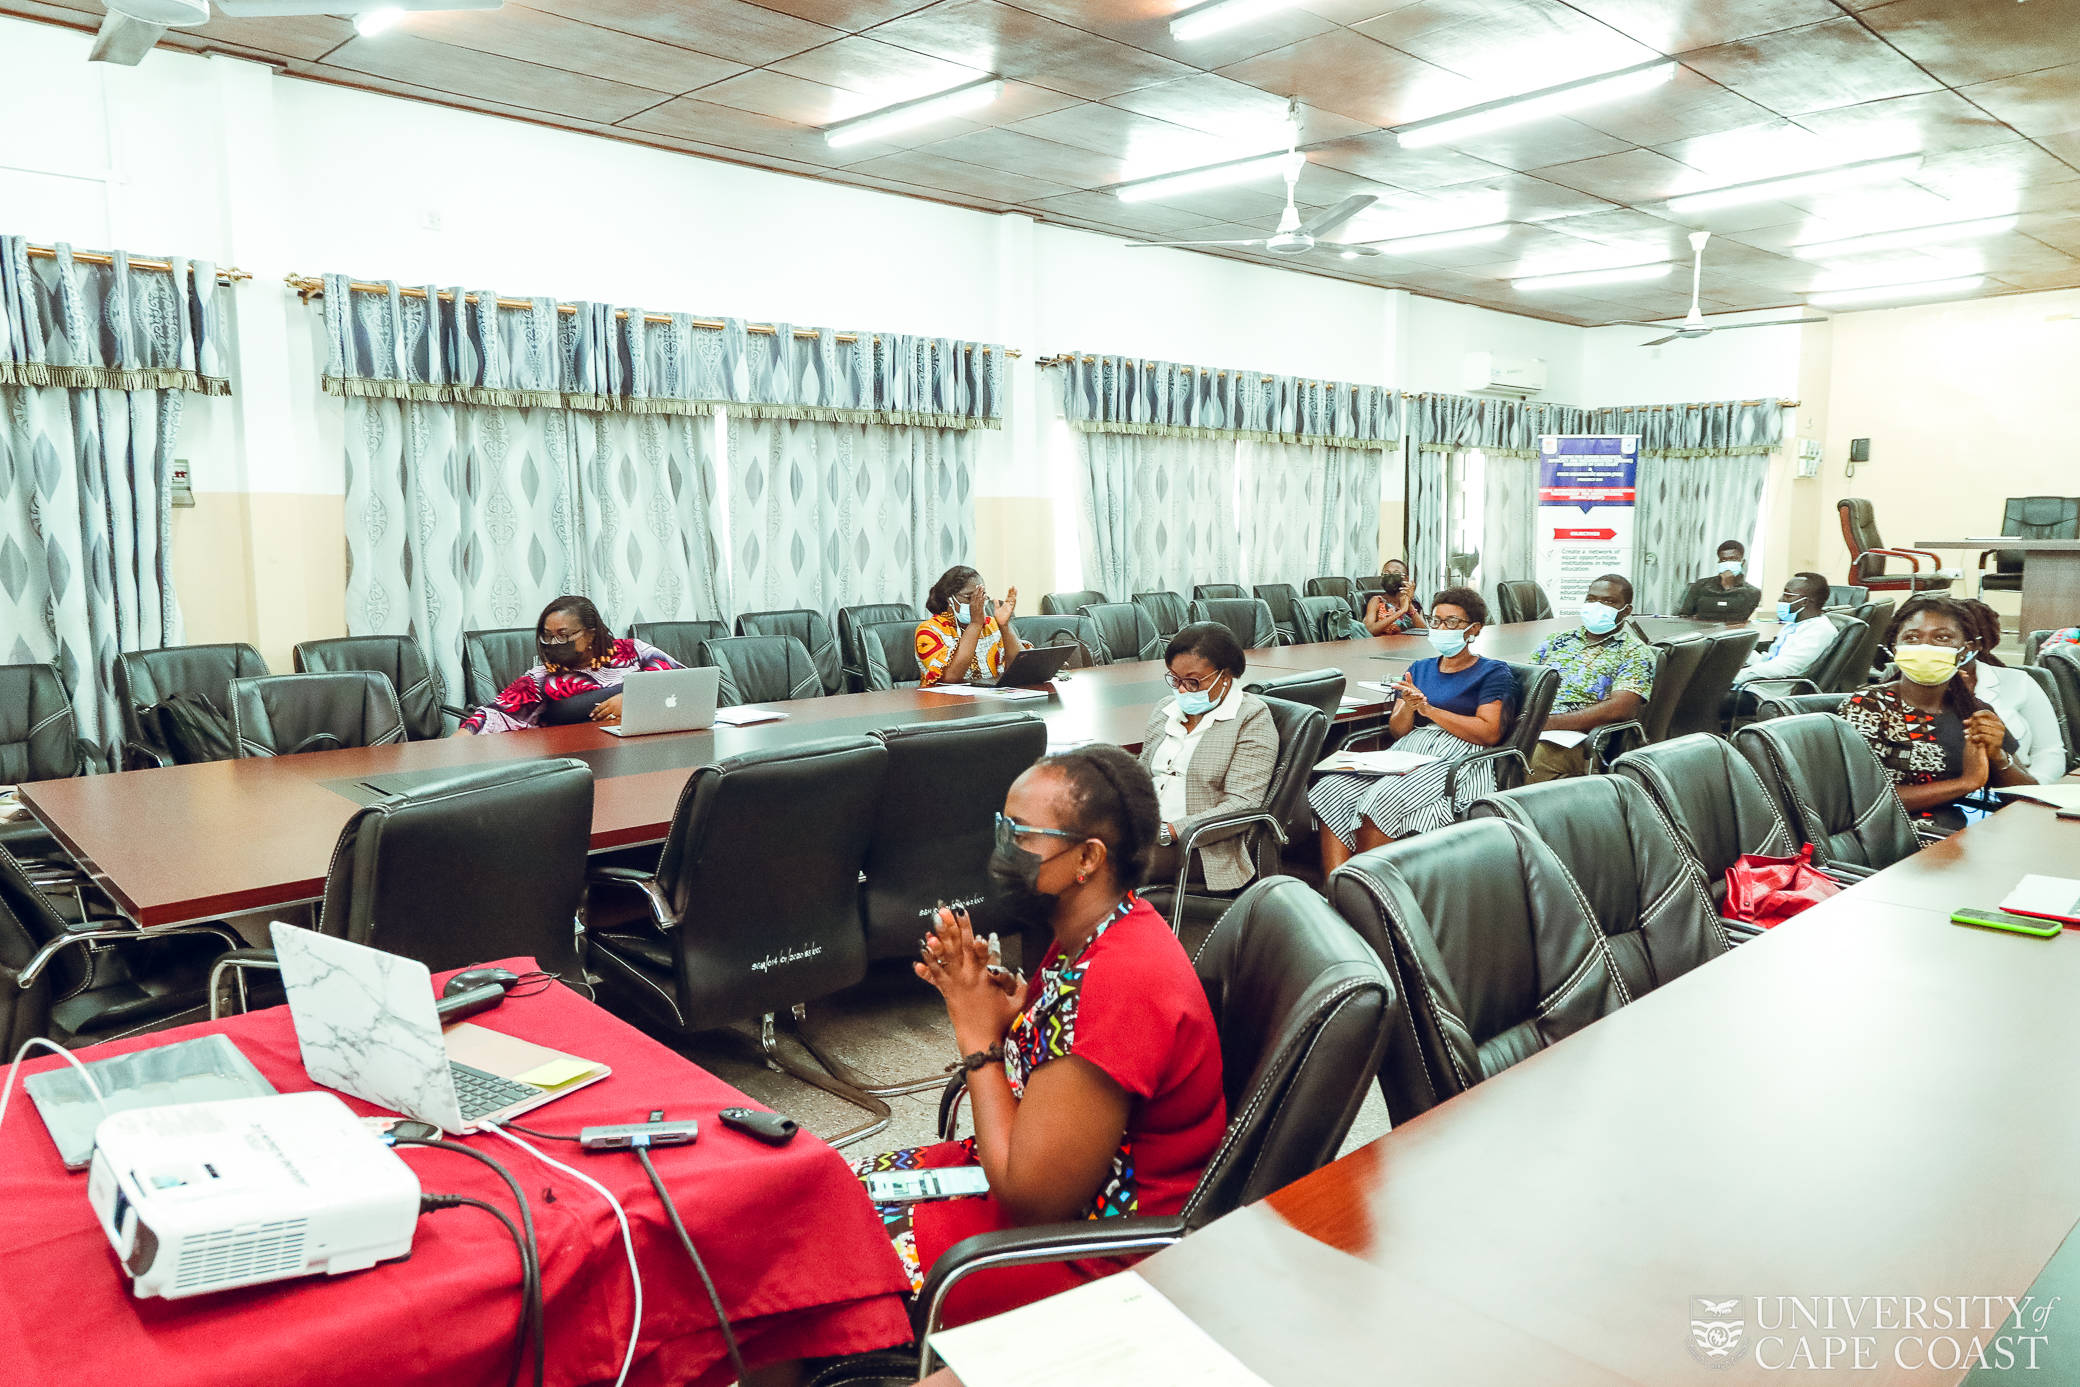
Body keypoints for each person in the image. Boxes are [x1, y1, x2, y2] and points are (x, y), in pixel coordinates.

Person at [853, 746, 1225, 1329]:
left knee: (823, 1255)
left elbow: (1030, 1202)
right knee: (832, 1193)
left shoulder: (1121, 985)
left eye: (1022, 836)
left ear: (1088, 858)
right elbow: (1063, 1033)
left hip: (1094, 1252)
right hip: (1065, 1190)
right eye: (1003, 827)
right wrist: (1010, 1007)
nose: (1004, 851)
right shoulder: (1103, 926)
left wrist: (978, 1038)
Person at [1310, 587, 1518, 873]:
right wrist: (1408, 707)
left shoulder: (1493, 671)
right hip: (1410, 749)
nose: (1441, 627)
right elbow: (1398, 730)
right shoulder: (1420, 668)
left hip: (1460, 755)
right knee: (1332, 789)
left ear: (1474, 630)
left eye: (1452, 622)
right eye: (1436, 620)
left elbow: (1489, 732)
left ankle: (1367, 894)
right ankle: (1336, 891)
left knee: (1382, 798)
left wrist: (1429, 710)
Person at [1841, 596, 2033, 832]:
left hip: (1958, 836)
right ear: (1895, 648)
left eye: (1942, 637)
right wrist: (1966, 783)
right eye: (1912, 638)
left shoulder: (1974, 711)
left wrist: (1998, 756)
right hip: (1895, 842)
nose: (1925, 647)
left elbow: (2028, 796)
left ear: (1965, 651)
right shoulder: (1869, 706)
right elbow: (1863, 801)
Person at [1137, 623, 1278, 894]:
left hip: (1202, 848)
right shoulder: (1166, 710)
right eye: (1175, 679)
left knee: (1101, 865)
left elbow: (1242, 805)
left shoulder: (1251, 718)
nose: (1182, 690)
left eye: (1193, 681)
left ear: (1225, 676)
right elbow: (1141, 775)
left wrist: (1168, 831)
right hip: (1142, 831)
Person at [455, 595, 679, 734]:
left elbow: (681, 683)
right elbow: (492, 715)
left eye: (563, 635)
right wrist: (455, 747)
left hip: (645, 746)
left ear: (590, 635)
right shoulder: (542, 678)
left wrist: (633, 699)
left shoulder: (633, 651)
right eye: (547, 636)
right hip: (579, 757)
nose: (554, 643)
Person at [1527, 574, 1656, 782]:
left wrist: (1548, 723)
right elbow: (1527, 684)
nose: (1597, 606)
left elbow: (1621, 709)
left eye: (1609, 601)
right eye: (1592, 599)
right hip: (1533, 725)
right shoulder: (1556, 641)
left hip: (1582, 740)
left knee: (1532, 758)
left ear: (1627, 610)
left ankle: (1517, 812)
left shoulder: (1635, 652)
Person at [1960, 598, 2067, 784]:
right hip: (1949, 800)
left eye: (1943, 637)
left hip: (2019, 788)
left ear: (1975, 644)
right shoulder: (1897, 689)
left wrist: (2033, 792)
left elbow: (2050, 752)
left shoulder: (2019, 681)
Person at [917, 565, 1023, 688]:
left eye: (981, 596)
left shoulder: (991, 625)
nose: (978, 603)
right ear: (950, 599)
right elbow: (950, 678)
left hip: (989, 700)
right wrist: (975, 624)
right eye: (970, 597)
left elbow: (1019, 670)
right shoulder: (929, 630)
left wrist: (1004, 626)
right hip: (945, 703)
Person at [1734, 571, 1838, 686]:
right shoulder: (1793, 625)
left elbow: (1783, 668)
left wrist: (1735, 677)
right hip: (1759, 682)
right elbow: (1770, 661)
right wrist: (1740, 652)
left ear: (1804, 602)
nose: (1780, 600)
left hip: (1771, 691)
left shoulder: (1819, 630)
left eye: (1787, 596)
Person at [1677, 540, 1763, 622]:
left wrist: (1728, 587)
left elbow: (1738, 618)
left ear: (1742, 562)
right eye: (1724, 560)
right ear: (1719, 562)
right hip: (1701, 633)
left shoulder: (1753, 592)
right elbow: (1684, 616)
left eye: (1733, 559)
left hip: (1731, 635)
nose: (1728, 563)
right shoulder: (1700, 585)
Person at [1359, 572, 1428, 635]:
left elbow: (1424, 630)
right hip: (1384, 645)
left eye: (1397, 572)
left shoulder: (1413, 602)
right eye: (1387, 572)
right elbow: (1369, 631)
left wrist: (1409, 604)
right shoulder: (1377, 600)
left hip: (1408, 644)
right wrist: (1401, 611)